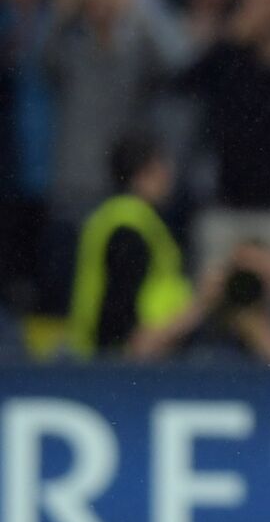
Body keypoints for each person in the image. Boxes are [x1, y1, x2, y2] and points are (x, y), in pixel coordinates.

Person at [66, 133, 194, 360]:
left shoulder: (120, 217)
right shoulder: (128, 227)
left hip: (116, 351)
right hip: (121, 357)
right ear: (141, 175)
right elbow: (119, 301)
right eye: (161, 166)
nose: (169, 175)